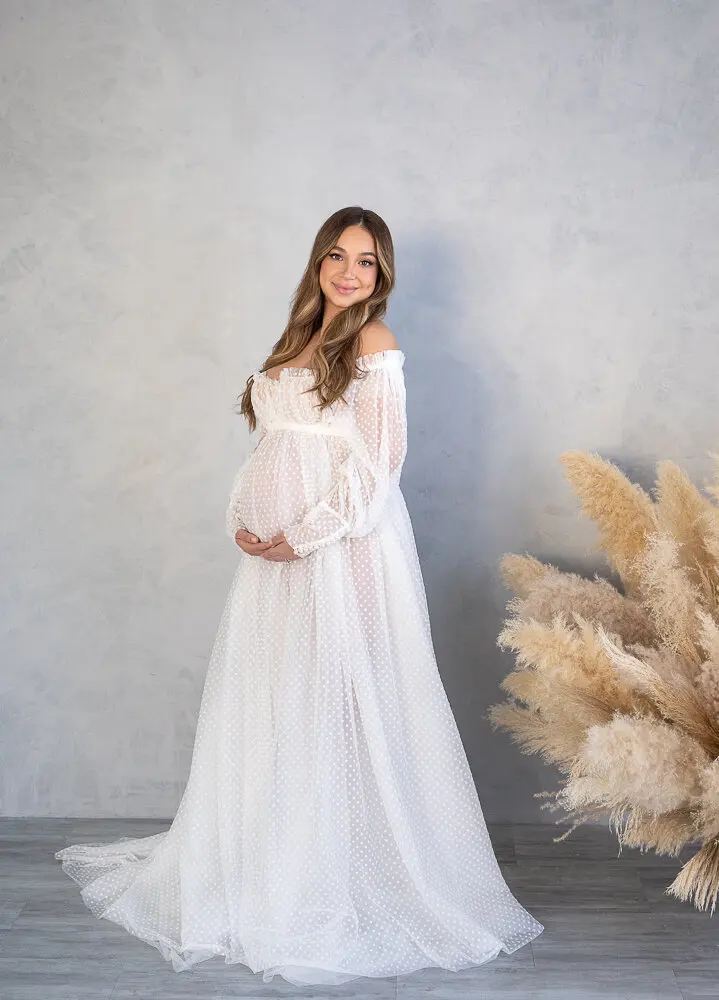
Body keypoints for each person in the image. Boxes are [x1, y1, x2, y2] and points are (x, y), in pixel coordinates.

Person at [55, 206, 544, 987]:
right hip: (273, 560)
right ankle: (278, 856)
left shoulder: (374, 345)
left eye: (367, 262)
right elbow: (271, 446)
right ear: (317, 263)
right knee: (279, 701)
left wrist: (307, 532)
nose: (350, 273)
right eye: (338, 257)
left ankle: (344, 872)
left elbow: (380, 463)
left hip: (339, 550)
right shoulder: (293, 344)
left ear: (382, 276)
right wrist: (244, 519)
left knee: (339, 700)